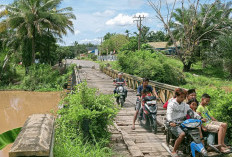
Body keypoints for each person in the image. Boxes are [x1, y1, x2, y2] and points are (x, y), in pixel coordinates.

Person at [167, 88, 201, 157]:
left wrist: (200, 118)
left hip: (184, 123)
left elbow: (192, 112)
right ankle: (174, 151)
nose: (183, 99)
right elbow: (168, 113)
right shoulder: (171, 104)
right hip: (174, 123)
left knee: (194, 131)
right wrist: (170, 121)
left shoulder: (185, 105)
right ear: (176, 96)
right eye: (181, 97)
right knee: (182, 134)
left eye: (184, 97)